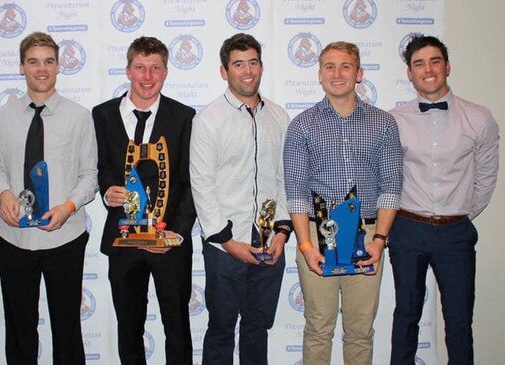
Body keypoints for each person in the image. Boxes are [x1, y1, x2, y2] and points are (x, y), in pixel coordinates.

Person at [283, 41, 402, 365]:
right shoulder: (302, 125)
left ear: (359, 73)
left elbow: (391, 185)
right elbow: (295, 190)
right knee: (319, 328)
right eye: (330, 67)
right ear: (320, 75)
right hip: (316, 237)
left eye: (345, 66)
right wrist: (306, 246)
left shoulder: (384, 123)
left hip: (367, 236)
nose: (337, 74)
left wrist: (380, 240)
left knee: (360, 331)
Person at [389, 35, 499, 365]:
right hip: (407, 230)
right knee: (406, 316)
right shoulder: (393, 120)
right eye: (418, 64)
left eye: (434, 61)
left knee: (459, 321)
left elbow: (486, 180)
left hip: (455, 234)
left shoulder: (478, 118)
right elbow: (388, 179)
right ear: (409, 73)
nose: (428, 69)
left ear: (447, 66)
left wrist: (455, 214)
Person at [0, 32, 98, 365]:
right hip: (15, 238)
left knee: (67, 327)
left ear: (58, 66)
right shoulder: (3, 116)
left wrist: (68, 207)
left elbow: (90, 176)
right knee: (20, 327)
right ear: (22, 66)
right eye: (34, 61)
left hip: (64, 238)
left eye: (49, 61)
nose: (42, 69)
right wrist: (4, 192)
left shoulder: (79, 117)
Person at [92, 36, 196, 365]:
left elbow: (192, 181)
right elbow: (99, 167)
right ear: (127, 70)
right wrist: (108, 190)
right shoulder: (102, 115)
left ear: (166, 72)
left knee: (177, 327)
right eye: (140, 68)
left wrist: (174, 234)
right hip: (122, 241)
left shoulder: (184, 117)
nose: (147, 77)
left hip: (170, 244)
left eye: (155, 68)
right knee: (129, 327)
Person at [190, 33, 292, 365]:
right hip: (225, 244)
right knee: (221, 328)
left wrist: (282, 233)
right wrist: (226, 241)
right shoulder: (208, 120)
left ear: (261, 67)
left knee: (257, 327)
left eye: (253, 62)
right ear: (224, 71)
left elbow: (283, 179)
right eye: (238, 64)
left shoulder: (278, 117)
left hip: (268, 240)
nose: (247, 71)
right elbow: (202, 185)